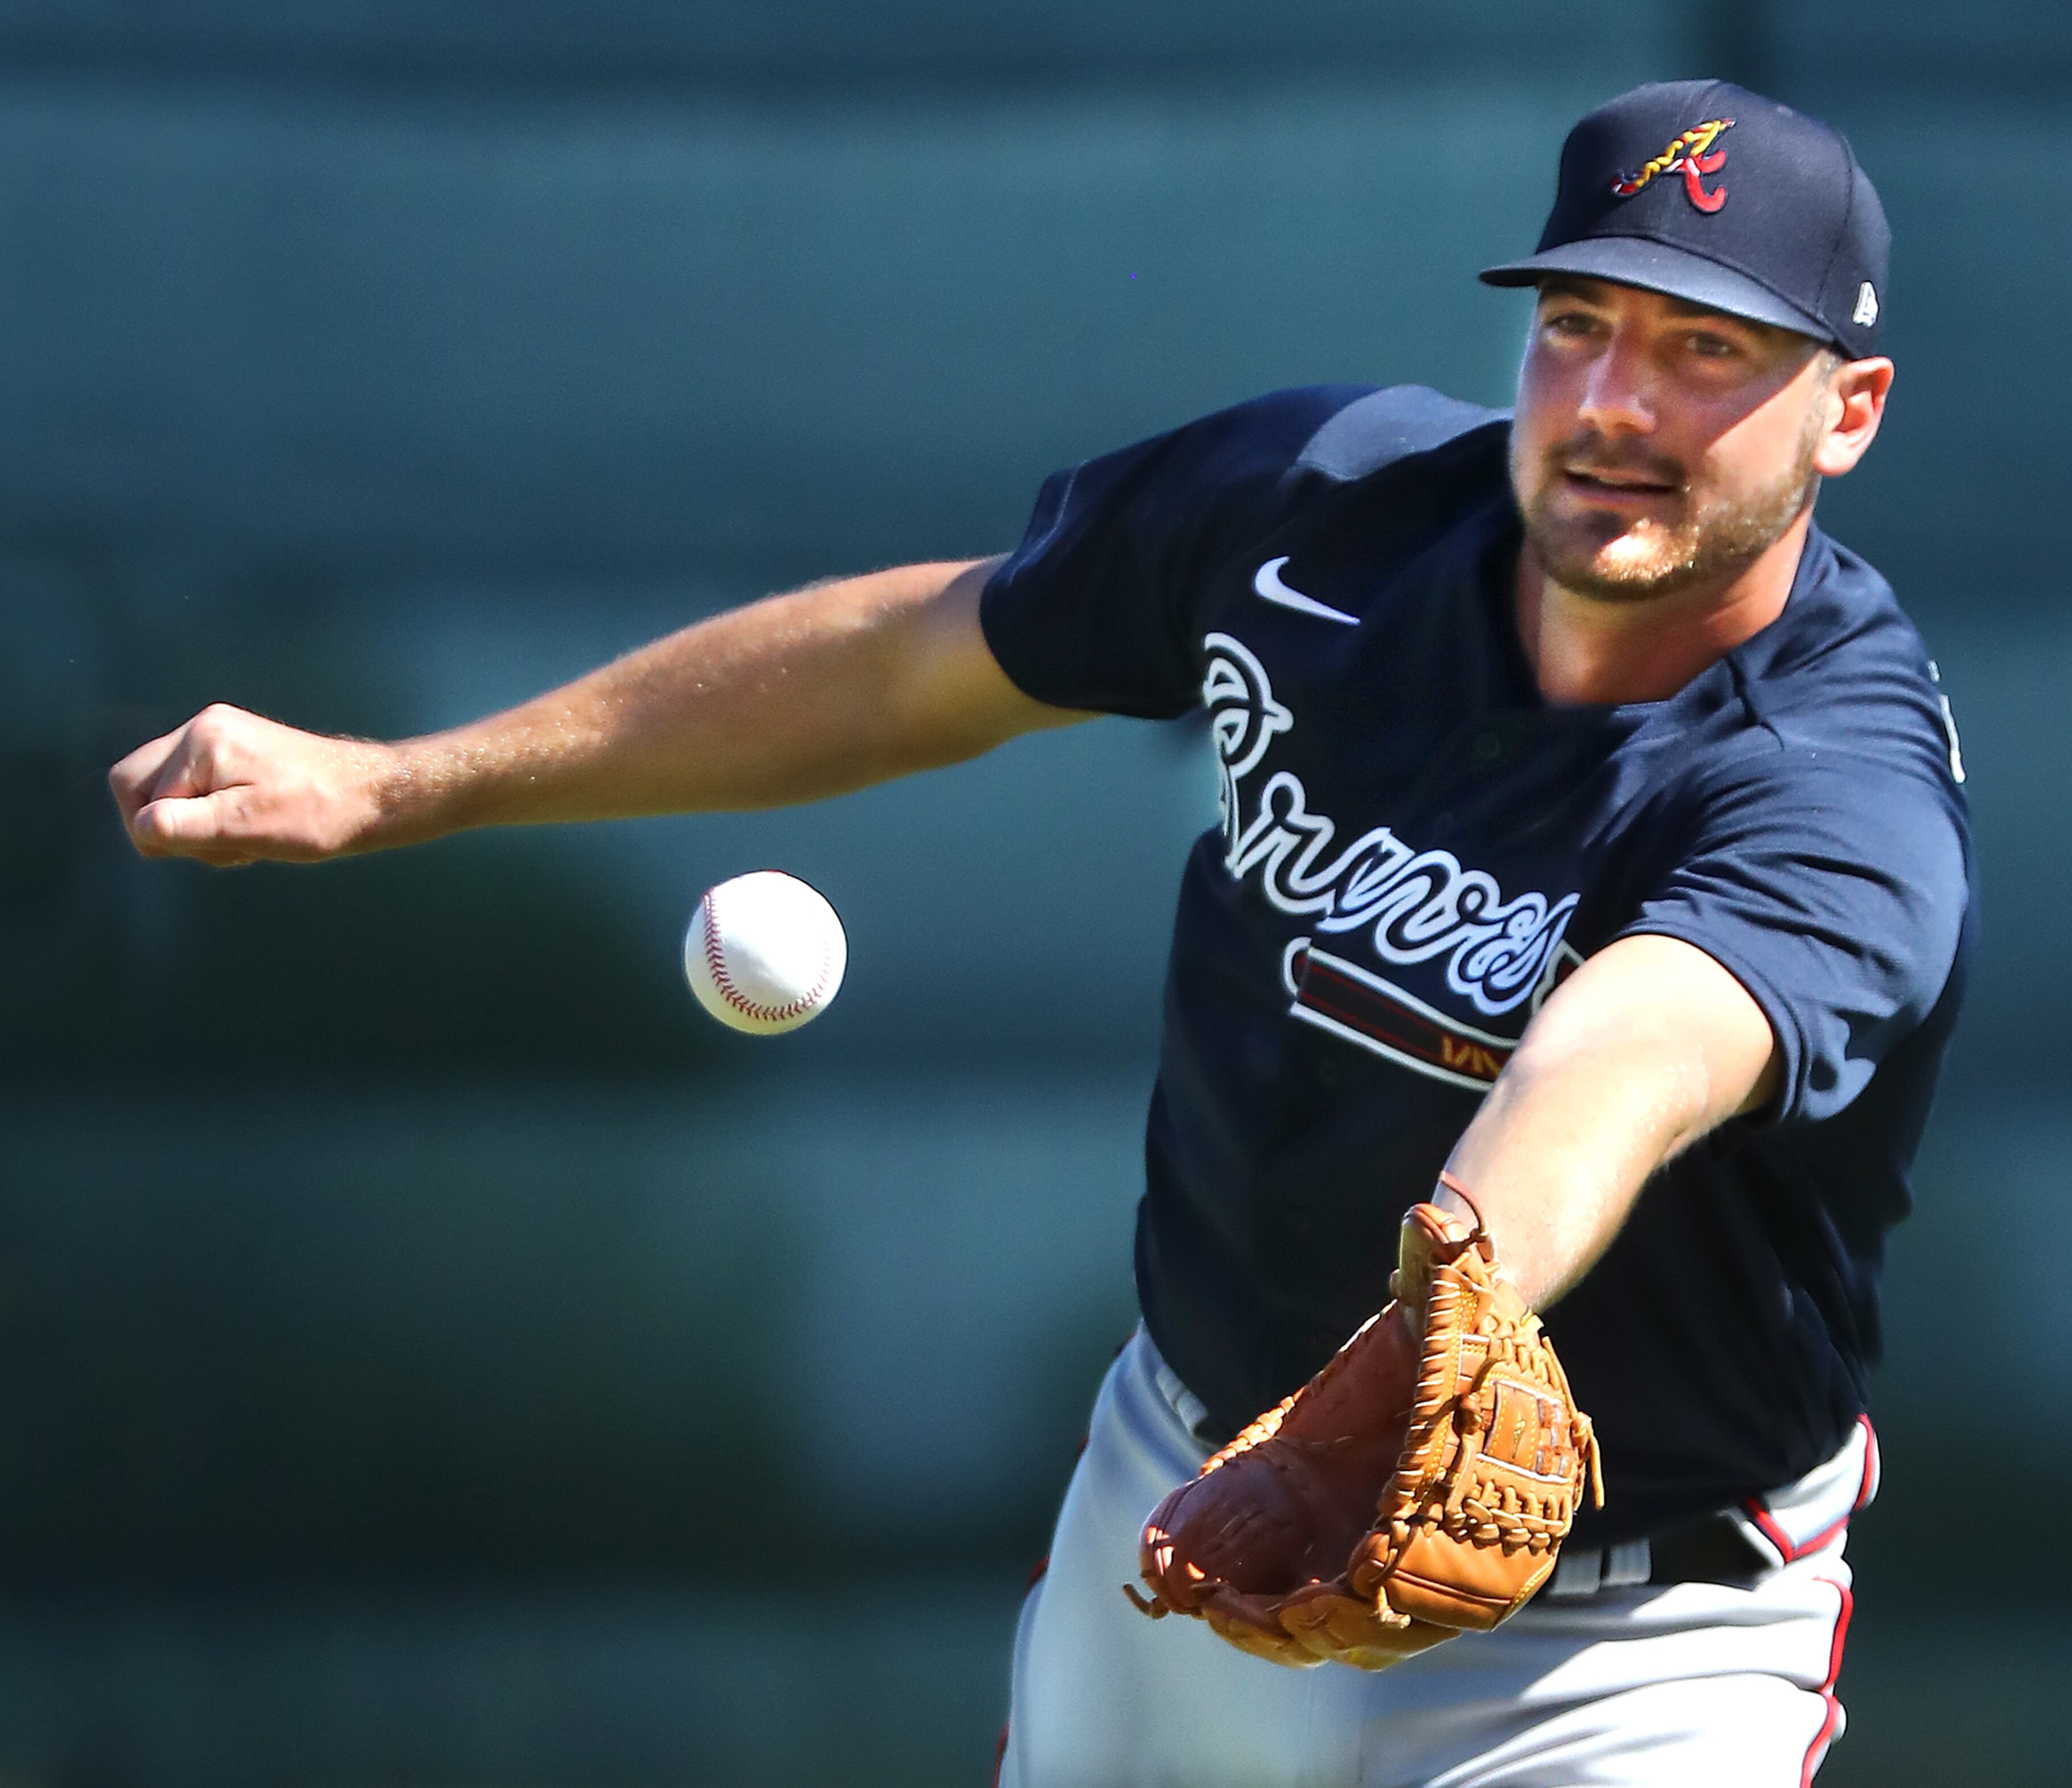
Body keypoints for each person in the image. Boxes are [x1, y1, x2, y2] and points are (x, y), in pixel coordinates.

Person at [110, 79, 1972, 1788]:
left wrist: (1448, 1303)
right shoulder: (1314, 515)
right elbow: (925, 656)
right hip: (1183, 1512)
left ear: (1850, 410)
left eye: (1708, 351)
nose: (1617, 404)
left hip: (1617, 1654)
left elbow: (1632, 1050)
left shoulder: (1839, 776)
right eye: (1582, 325)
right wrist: (397, 781)